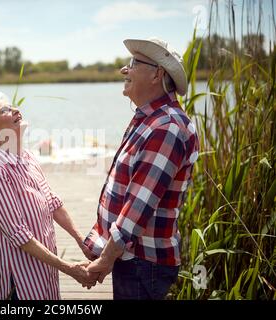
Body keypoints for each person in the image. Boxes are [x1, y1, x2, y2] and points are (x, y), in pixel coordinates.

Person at [84, 38, 200, 299]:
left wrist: (105, 258)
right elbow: (124, 191)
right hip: (132, 257)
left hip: (143, 262)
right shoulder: (149, 119)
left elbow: (137, 209)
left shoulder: (166, 127)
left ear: (157, 73)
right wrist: (100, 245)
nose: (125, 69)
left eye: (134, 63)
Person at [0, 91, 95, 300]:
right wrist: (69, 268)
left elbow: (54, 204)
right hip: (21, 282)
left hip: (46, 273)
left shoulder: (27, 156)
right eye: (4, 110)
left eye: (11, 105)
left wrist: (82, 241)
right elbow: (20, 236)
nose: (15, 110)